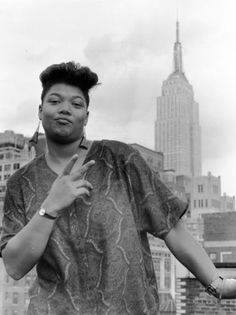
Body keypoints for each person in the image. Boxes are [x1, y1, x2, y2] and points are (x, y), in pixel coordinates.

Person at [0, 61, 235, 315]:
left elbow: (171, 228)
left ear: (86, 116)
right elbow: (14, 265)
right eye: (55, 101)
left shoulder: (120, 159)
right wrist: (50, 206)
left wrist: (217, 284)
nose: (65, 109)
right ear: (40, 110)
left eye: (76, 104)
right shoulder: (20, 183)